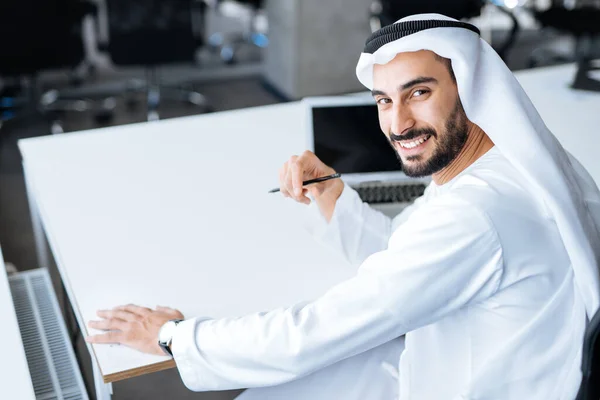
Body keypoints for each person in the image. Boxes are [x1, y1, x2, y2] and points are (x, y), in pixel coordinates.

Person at [86, 14, 600, 399]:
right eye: (383, 100)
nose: (398, 124)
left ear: (471, 89)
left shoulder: (477, 213)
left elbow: (310, 335)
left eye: (418, 92)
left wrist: (174, 337)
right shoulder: (510, 162)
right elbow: (413, 263)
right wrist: (333, 197)